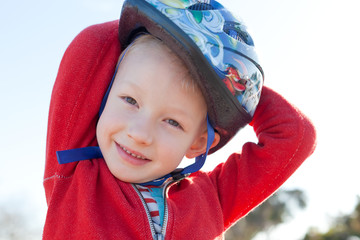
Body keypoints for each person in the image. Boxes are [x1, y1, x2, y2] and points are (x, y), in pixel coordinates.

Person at [43, 0, 317, 239]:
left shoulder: (213, 198)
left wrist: (234, 78)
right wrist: (179, 29)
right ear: (104, 96)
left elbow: (296, 135)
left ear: (199, 143)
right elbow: (91, 45)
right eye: (130, 101)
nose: (140, 133)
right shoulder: (73, 171)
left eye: (172, 122)